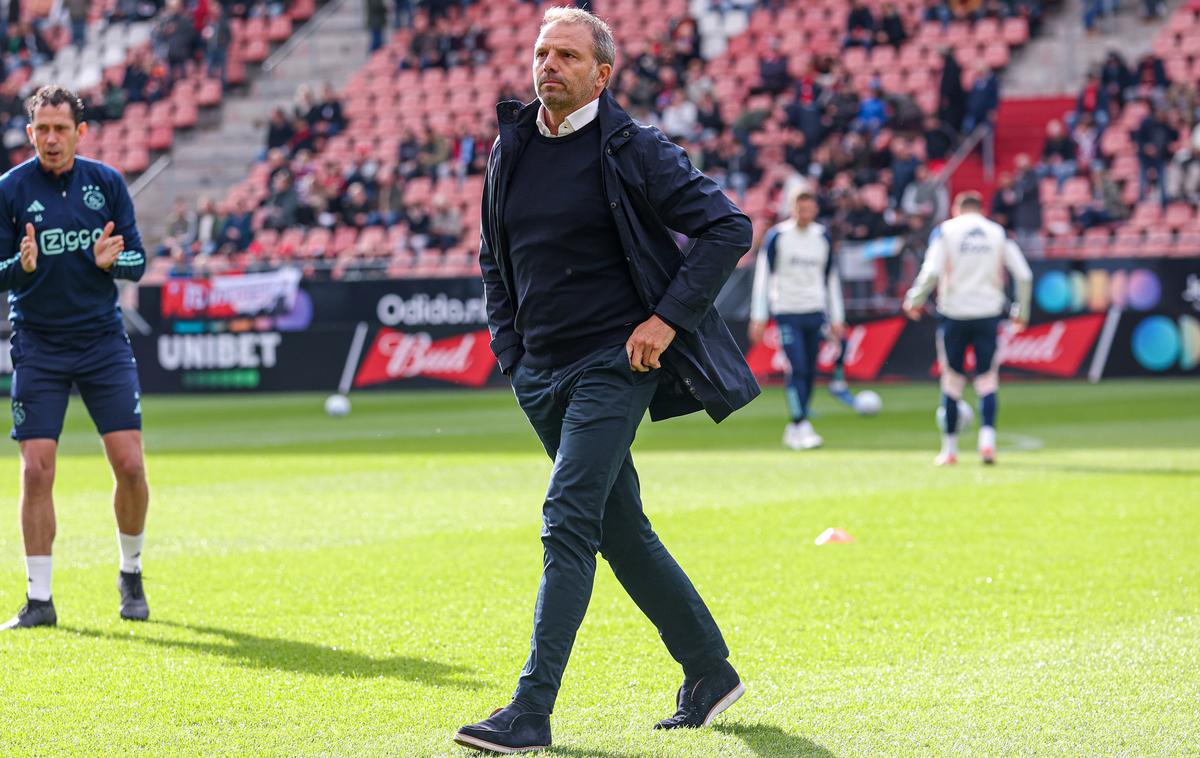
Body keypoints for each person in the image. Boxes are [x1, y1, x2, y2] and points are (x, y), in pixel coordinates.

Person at [457, 8, 757, 754]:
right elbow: (495, 258)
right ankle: (709, 672)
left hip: (614, 367)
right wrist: (511, 353)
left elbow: (728, 228)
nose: (547, 65)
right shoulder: (512, 145)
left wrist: (665, 320)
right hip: (540, 371)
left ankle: (530, 711)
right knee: (620, 529)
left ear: (602, 72)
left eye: (565, 54)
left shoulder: (634, 148)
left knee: (567, 519)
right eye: (540, 52)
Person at [0, 86, 150, 630]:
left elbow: (138, 259)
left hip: (101, 342)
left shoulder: (106, 182)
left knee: (130, 465)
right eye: (42, 128)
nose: (51, 138)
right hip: (38, 343)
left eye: (61, 128)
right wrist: (22, 269)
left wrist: (115, 261)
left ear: (79, 132)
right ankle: (39, 600)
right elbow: (0, 270)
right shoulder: (10, 190)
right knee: (37, 471)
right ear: (29, 132)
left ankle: (130, 571)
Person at [902, 191, 1032, 466]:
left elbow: (932, 271)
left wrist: (914, 300)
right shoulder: (997, 232)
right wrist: (1022, 312)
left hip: (955, 314)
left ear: (955, 208)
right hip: (988, 313)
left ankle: (949, 450)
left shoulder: (945, 231)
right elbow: (1023, 274)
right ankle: (988, 444)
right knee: (987, 379)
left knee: (952, 381)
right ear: (982, 208)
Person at [748, 185, 845, 450]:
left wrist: (837, 316)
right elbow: (764, 276)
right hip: (787, 311)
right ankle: (800, 421)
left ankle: (797, 426)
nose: (806, 214)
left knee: (811, 370)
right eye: (801, 209)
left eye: (810, 209)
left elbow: (831, 278)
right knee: (797, 366)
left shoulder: (822, 236)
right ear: (793, 209)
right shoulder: (778, 236)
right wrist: (759, 315)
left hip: (815, 310)